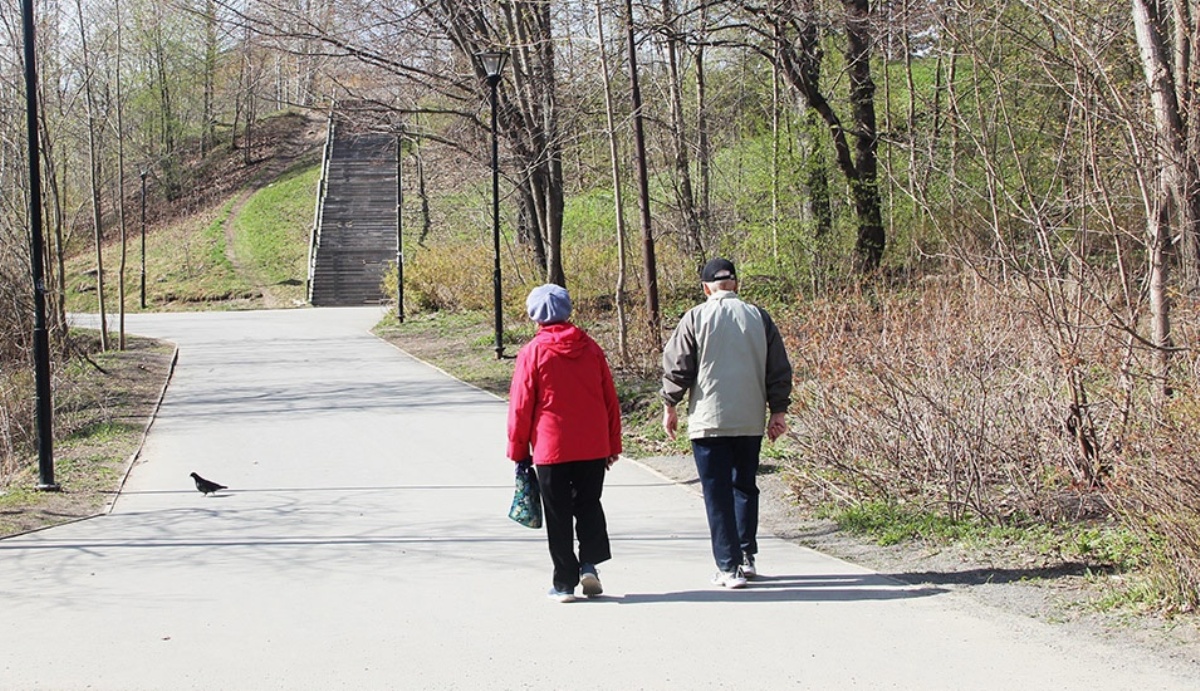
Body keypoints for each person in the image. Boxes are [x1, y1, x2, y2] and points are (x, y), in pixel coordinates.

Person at [660, 257, 793, 589]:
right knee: (744, 486)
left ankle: (728, 566)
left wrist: (669, 404)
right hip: (750, 419)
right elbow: (778, 368)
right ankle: (746, 556)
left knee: (716, 493)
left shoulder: (696, 317)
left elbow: (679, 366)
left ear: (706, 288)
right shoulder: (759, 317)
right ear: (736, 285)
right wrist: (778, 411)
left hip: (709, 420)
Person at [507, 283, 622, 603]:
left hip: (550, 447)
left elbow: (521, 406)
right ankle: (589, 565)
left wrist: (518, 450)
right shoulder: (591, 347)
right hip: (592, 445)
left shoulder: (533, 352)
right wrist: (613, 443)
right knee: (588, 505)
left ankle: (563, 583)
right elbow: (609, 398)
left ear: (535, 316)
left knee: (557, 514)